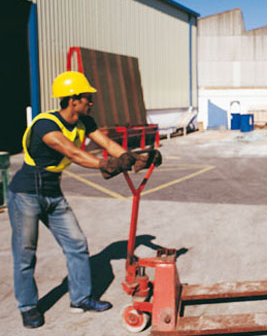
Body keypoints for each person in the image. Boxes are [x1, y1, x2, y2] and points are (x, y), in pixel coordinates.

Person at [7, 71, 159, 329]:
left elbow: (108, 144)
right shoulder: (46, 125)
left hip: (53, 193)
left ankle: (80, 299)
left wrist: (135, 159)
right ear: (73, 99)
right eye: (87, 97)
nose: (91, 101)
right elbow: (73, 153)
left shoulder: (84, 121)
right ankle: (28, 306)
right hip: (26, 194)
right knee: (25, 254)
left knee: (77, 243)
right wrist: (107, 164)